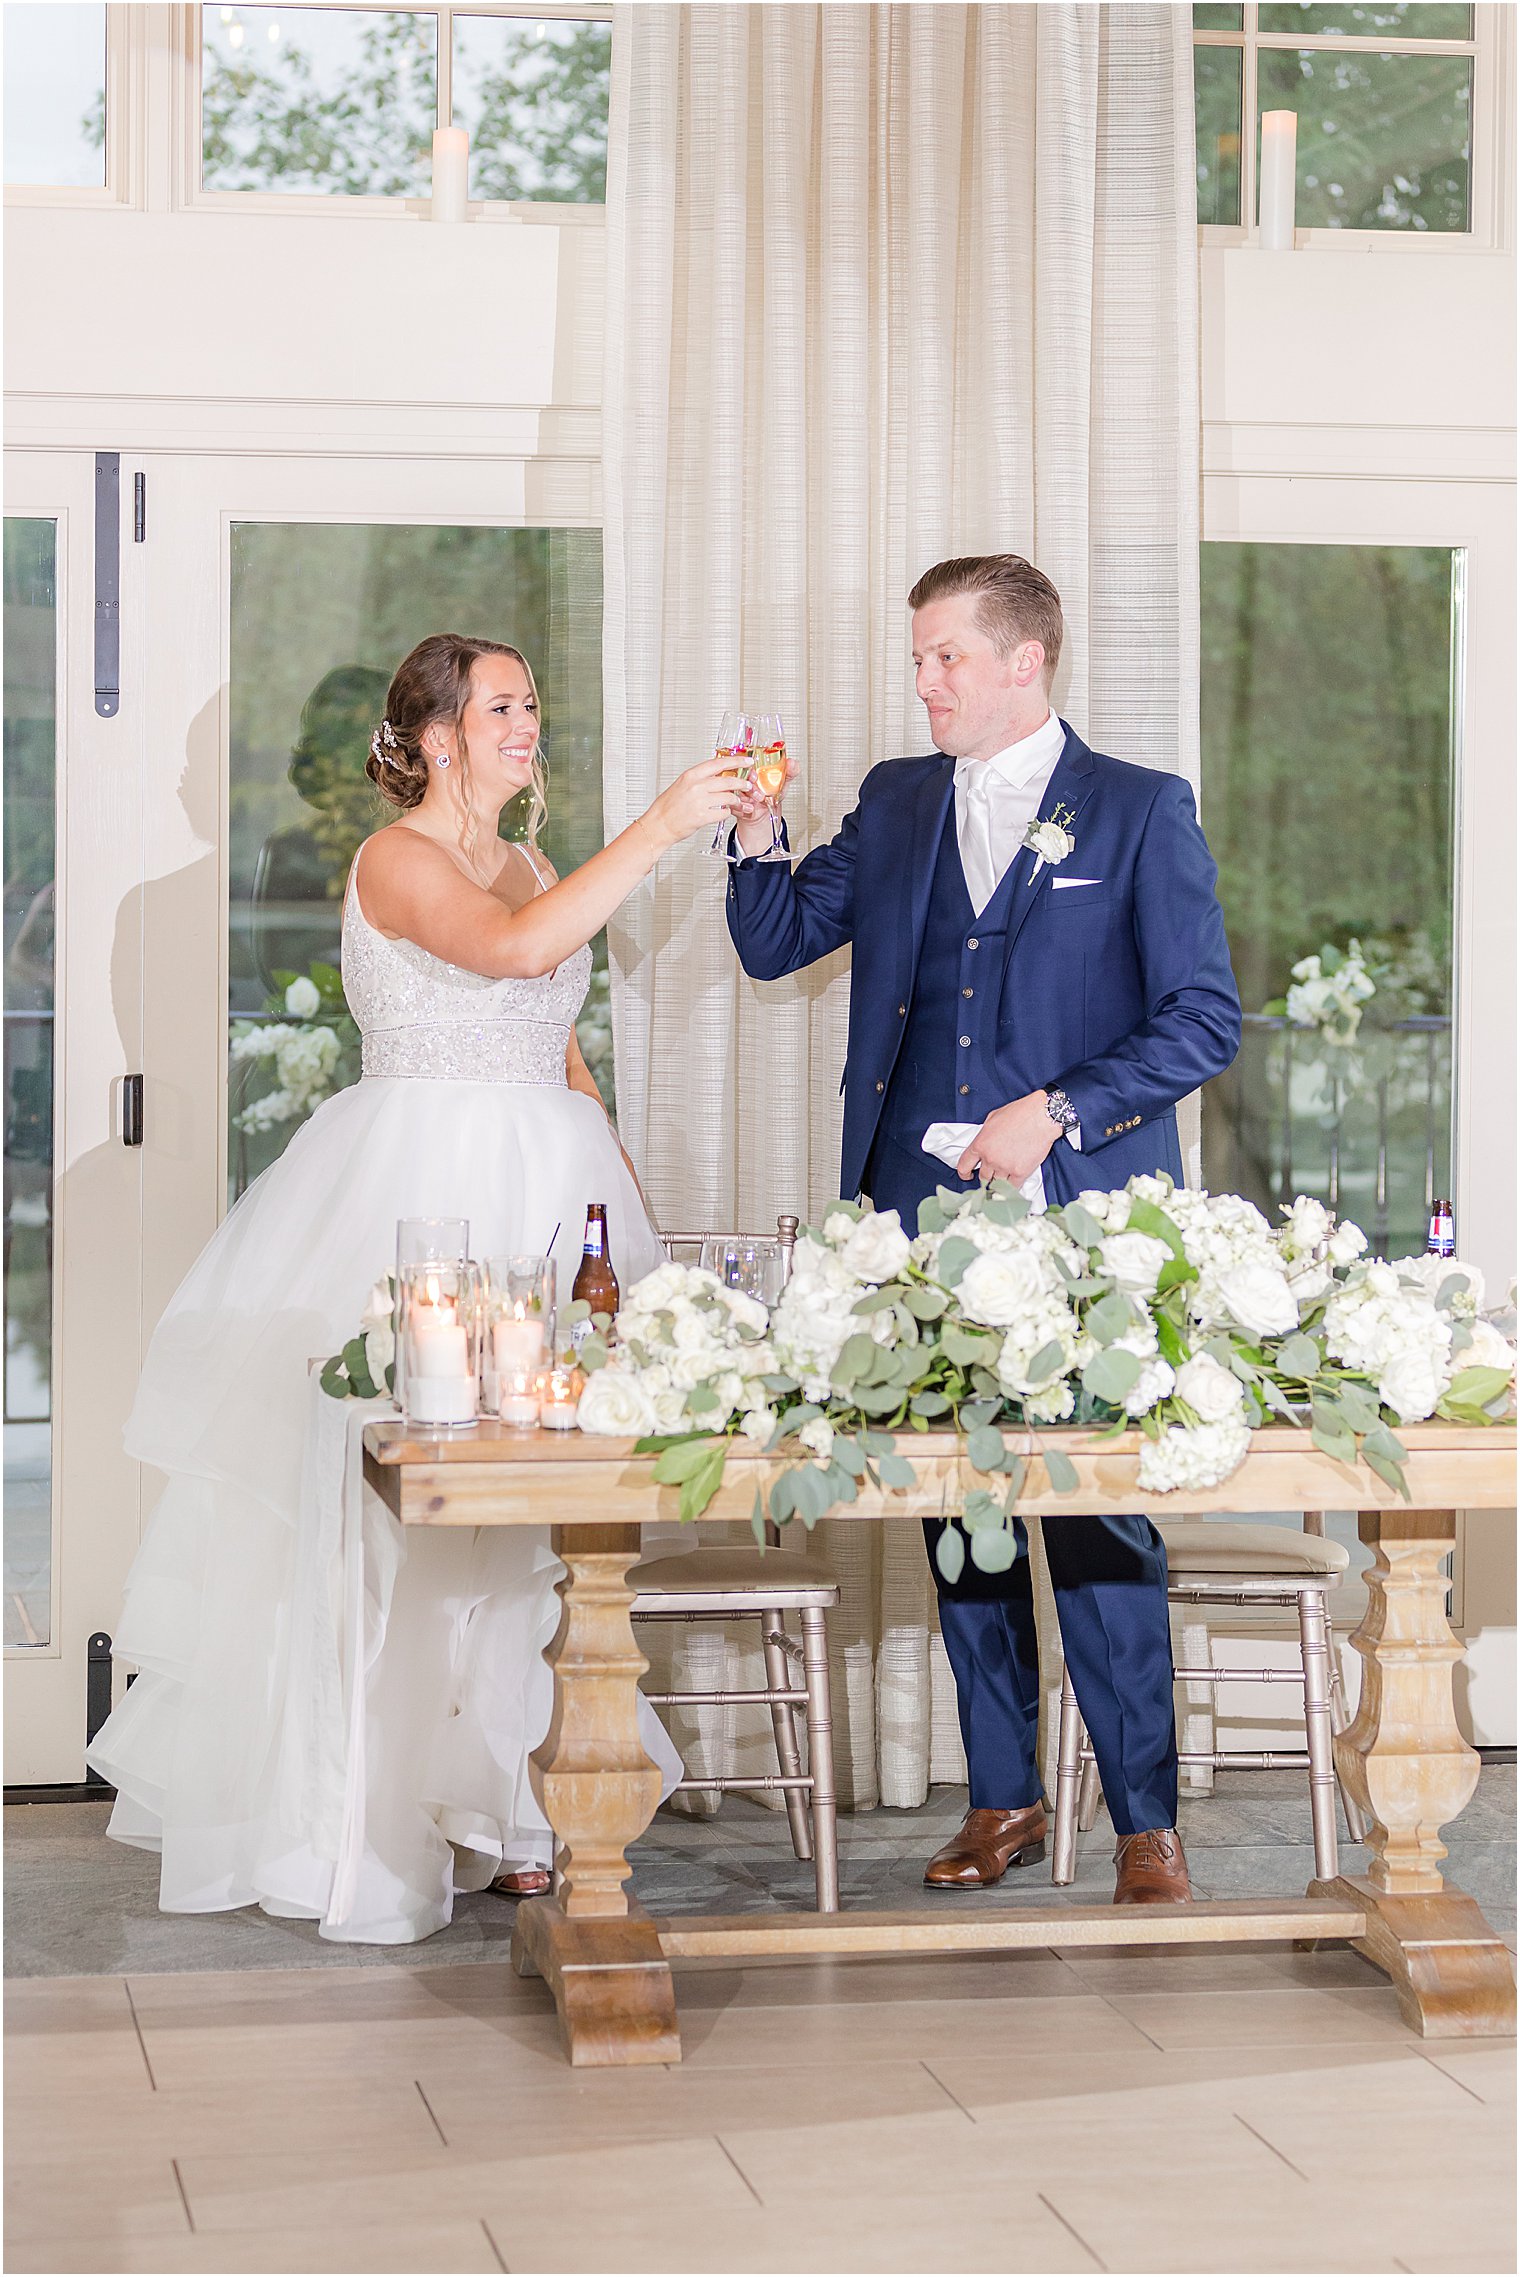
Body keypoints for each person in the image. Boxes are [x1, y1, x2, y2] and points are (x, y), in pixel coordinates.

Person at [88, 632, 741, 1942]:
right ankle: (359, 1826)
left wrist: (625, 1215)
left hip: (546, 1193)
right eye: (503, 705)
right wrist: (665, 823)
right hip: (417, 1201)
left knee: (528, 1522)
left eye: (532, 704)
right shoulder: (398, 858)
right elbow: (505, 954)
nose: (526, 723)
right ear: (437, 735)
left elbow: (559, 1049)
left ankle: (506, 1812)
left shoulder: (536, 859)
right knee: (395, 1518)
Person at [725, 556, 1241, 1905]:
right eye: (918, 657)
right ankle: (1002, 1797)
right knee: (968, 1516)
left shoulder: (1138, 810)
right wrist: (751, 833)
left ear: (1025, 661)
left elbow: (1202, 1017)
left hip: (1081, 1227)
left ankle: (1145, 1819)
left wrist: (1062, 1108)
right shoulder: (898, 802)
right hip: (913, 1224)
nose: (923, 680)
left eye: (946, 656)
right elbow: (777, 943)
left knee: (1100, 1517)